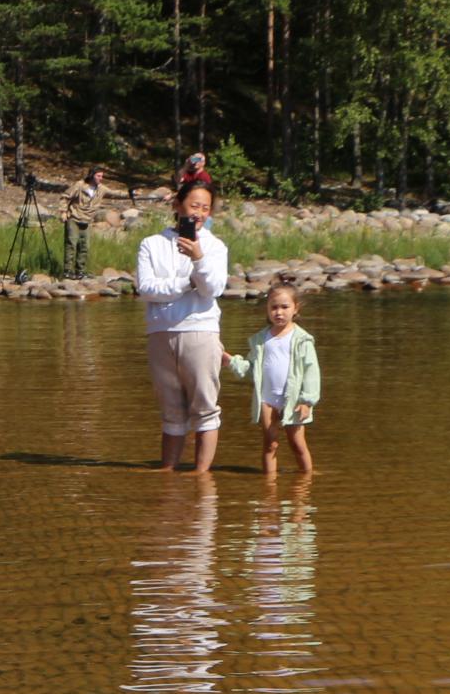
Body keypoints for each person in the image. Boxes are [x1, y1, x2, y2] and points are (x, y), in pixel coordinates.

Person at [136, 179, 230, 473]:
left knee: (205, 407)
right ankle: (167, 473)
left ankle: (202, 478)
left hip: (200, 331)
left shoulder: (214, 246)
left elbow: (212, 288)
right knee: (171, 409)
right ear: (177, 205)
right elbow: (147, 288)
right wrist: (186, 282)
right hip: (161, 332)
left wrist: (198, 259)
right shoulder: (151, 244)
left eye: (205, 208)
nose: (199, 213)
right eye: (194, 206)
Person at [227, 284, 320, 477]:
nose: (279, 312)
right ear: (267, 310)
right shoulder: (261, 339)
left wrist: (307, 401)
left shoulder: (302, 339)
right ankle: (269, 486)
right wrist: (231, 361)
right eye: (274, 307)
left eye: (284, 307)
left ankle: (306, 480)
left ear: (296, 309)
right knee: (270, 444)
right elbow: (252, 369)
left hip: (294, 400)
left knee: (297, 444)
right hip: (267, 399)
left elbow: (311, 371)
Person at [64, 166, 106, 277]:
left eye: (102, 176)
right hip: (74, 218)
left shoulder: (101, 189)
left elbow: (116, 193)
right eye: (98, 176)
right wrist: (63, 212)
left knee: (84, 246)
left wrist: (130, 193)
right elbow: (65, 196)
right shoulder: (80, 185)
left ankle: (80, 271)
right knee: (71, 244)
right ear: (92, 175)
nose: (101, 178)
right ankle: (67, 271)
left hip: (86, 221)